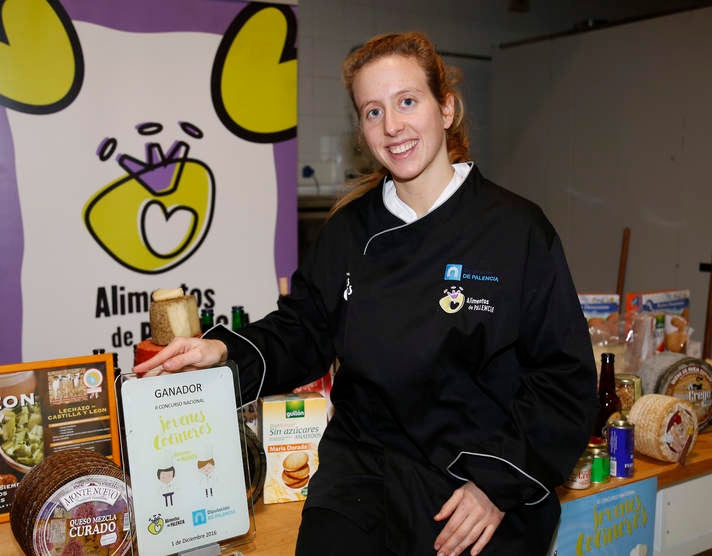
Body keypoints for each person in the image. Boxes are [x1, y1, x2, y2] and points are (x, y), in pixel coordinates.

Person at [134, 31, 598, 556]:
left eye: (407, 101)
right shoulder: (350, 231)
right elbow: (304, 328)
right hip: (361, 480)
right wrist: (222, 350)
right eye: (372, 111)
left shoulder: (516, 231)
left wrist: (497, 482)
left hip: (469, 487)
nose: (392, 126)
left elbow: (565, 378)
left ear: (445, 109)